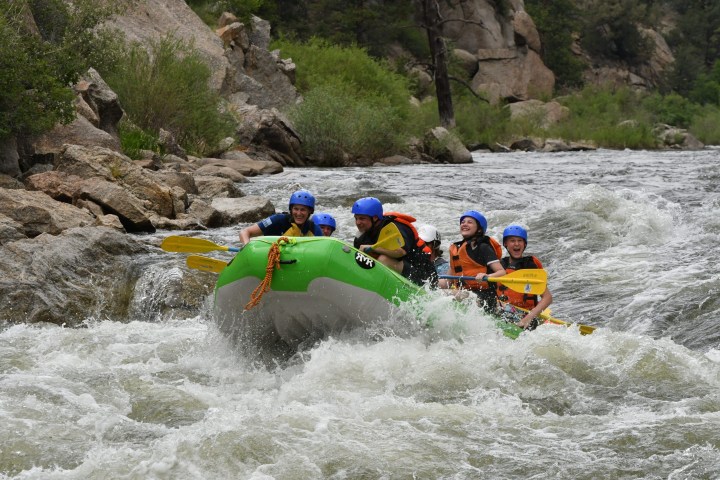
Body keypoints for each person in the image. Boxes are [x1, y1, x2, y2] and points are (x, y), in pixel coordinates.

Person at [351, 197, 437, 287]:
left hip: (424, 276)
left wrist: (373, 248)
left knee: (383, 259)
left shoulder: (395, 227)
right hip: (402, 272)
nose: (358, 222)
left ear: (375, 218)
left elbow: (400, 252)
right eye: (356, 218)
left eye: (362, 218)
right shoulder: (361, 237)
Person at [442, 210, 506, 311]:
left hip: (484, 298)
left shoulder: (483, 247)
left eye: (470, 222)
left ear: (479, 229)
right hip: (466, 293)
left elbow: (502, 272)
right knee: (436, 288)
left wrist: (487, 276)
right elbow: (448, 281)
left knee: (442, 294)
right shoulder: (457, 249)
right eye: (463, 222)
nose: (465, 224)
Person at [498, 225, 553, 330]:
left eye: (520, 241)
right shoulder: (500, 266)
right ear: (506, 244)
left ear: (524, 244)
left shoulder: (530, 265)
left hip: (525, 314)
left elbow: (548, 298)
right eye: (512, 241)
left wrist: (528, 318)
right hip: (504, 311)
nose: (516, 244)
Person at [239, 189, 323, 244]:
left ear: (310, 211)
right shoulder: (277, 220)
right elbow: (245, 232)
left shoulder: (315, 230)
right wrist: (247, 247)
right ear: (291, 209)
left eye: (303, 210)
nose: (298, 213)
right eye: (296, 209)